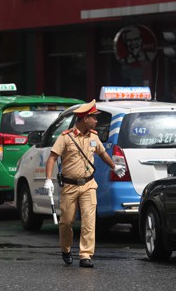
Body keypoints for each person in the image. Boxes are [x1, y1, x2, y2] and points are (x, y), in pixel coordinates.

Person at [43, 100, 126, 268]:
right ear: (85, 118)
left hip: (89, 184)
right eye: (94, 118)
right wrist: (48, 179)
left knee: (89, 221)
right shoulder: (66, 137)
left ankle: (85, 255)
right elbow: (52, 157)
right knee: (66, 222)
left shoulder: (94, 136)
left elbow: (102, 154)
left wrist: (114, 166)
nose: (96, 121)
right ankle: (66, 249)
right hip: (70, 185)